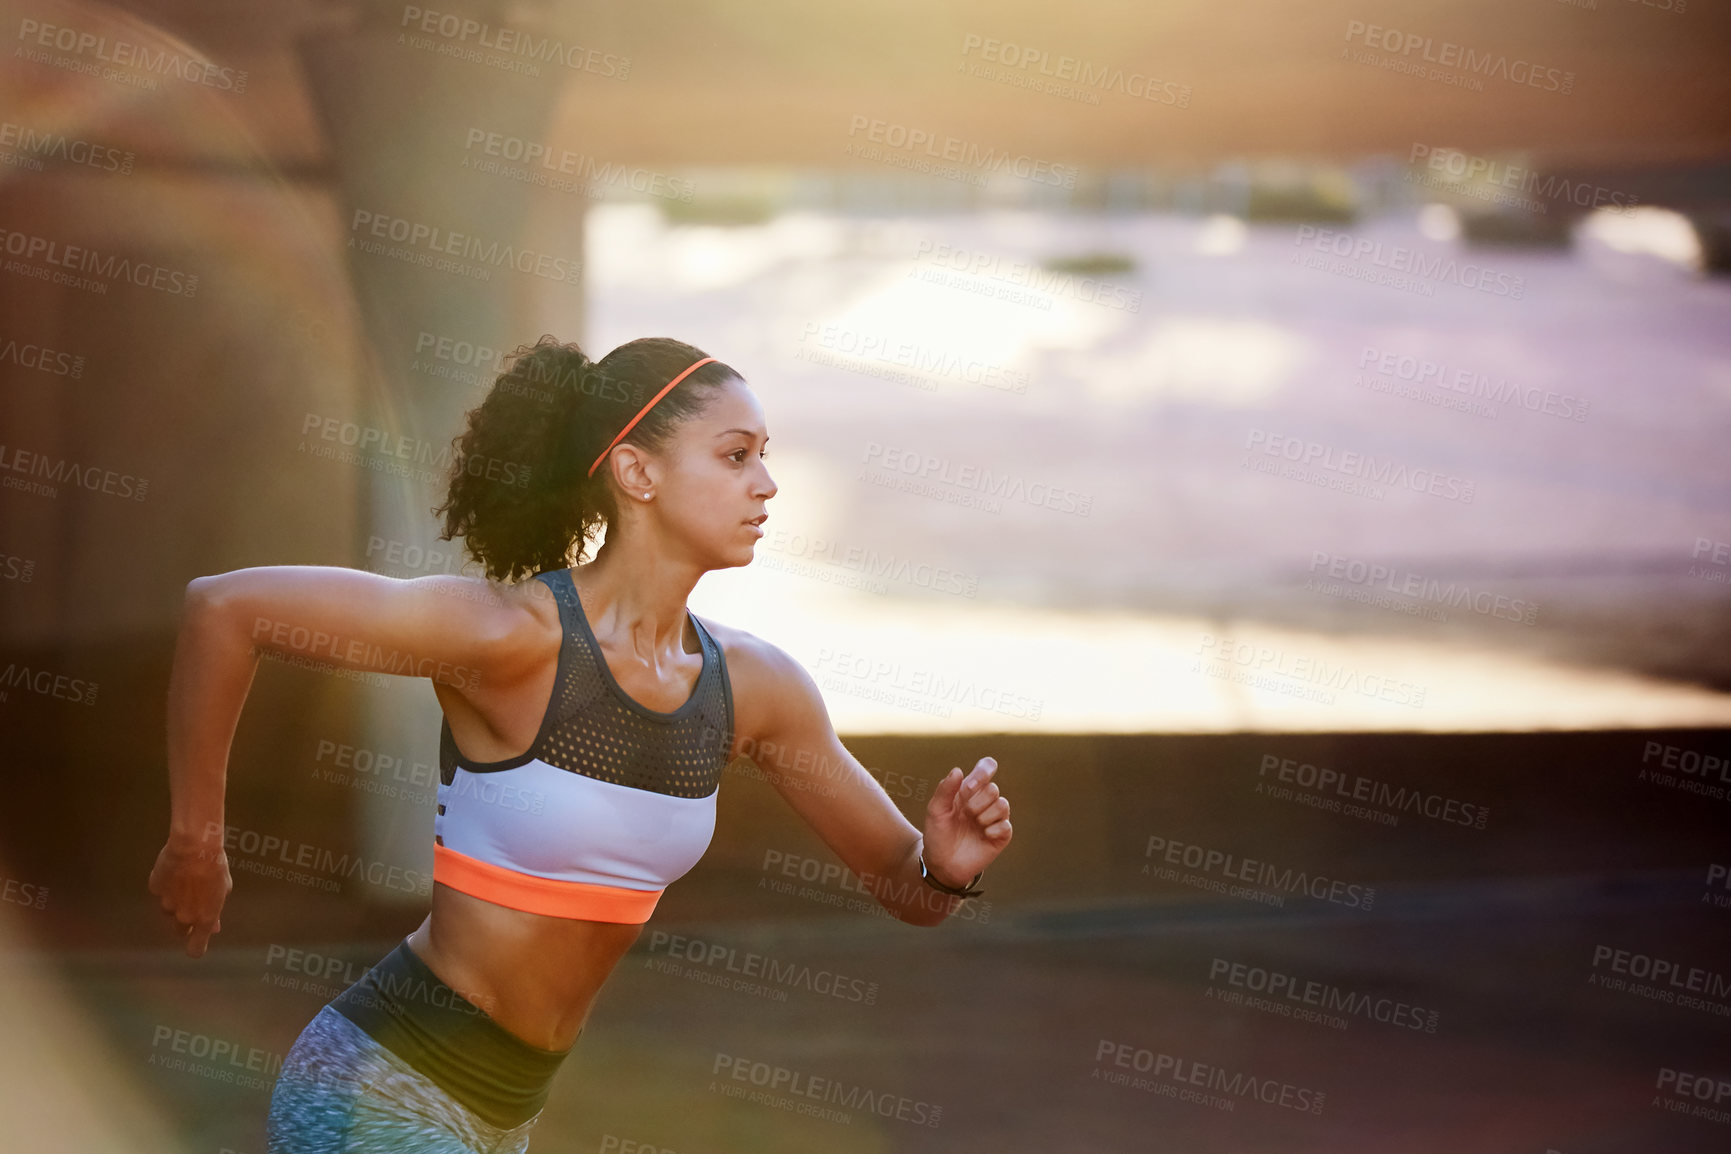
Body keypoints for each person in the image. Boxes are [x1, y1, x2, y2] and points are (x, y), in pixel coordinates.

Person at [147, 335, 1014, 1153]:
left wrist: (947, 863)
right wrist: (197, 842)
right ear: (636, 472)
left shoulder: (757, 687)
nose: (768, 485)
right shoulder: (509, 637)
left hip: (503, 1119)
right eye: (735, 454)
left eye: (765, 454)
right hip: (377, 1087)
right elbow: (226, 609)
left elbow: (908, 891)